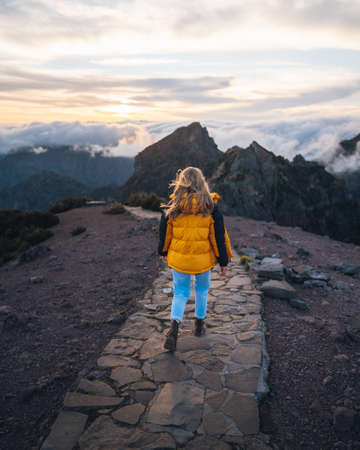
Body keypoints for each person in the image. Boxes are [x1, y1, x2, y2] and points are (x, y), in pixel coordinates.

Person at [158, 166, 233, 352]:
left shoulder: (173, 207)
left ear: (182, 183)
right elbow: (218, 238)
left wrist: (163, 251)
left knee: (180, 292)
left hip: (180, 258)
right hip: (202, 261)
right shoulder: (210, 207)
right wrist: (223, 261)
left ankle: (174, 329)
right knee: (202, 289)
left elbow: (164, 233)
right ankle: (199, 325)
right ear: (202, 183)